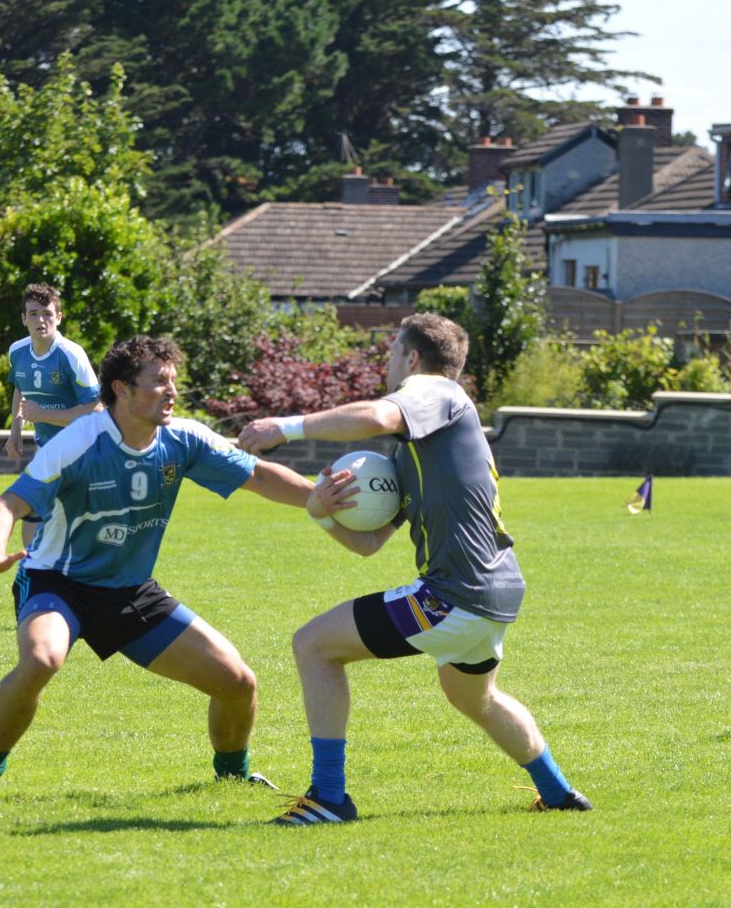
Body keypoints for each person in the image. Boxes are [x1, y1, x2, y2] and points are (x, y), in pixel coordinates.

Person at [237, 313, 590, 824]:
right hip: (495, 590)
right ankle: (558, 792)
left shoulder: (436, 392)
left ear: (413, 358)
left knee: (314, 645)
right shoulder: (419, 447)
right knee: (475, 697)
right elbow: (370, 543)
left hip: (454, 593)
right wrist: (321, 515)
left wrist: (284, 427)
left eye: (390, 354)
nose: (386, 365)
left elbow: (377, 417)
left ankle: (330, 798)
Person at [0, 335, 314, 803]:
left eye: (173, 381)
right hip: (58, 583)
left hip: (129, 592)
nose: (171, 391)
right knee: (42, 659)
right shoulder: (79, 442)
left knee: (237, 682)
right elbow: (10, 501)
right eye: (158, 382)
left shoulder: (183, 438)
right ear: (122, 389)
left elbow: (259, 475)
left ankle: (232, 777)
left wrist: (319, 498)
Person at [7, 283, 103, 547]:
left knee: (78, 526)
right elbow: (19, 388)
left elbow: (96, 409)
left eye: (48, 313)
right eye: (34, 313)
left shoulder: (71, 354)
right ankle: (33, 575)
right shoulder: (17, 352)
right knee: (33, 515)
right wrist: (16, 430)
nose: (41, 320)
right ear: (24, 319)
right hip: (46, 448)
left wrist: (42, 414)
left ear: (59, 318)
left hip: (83, 450)